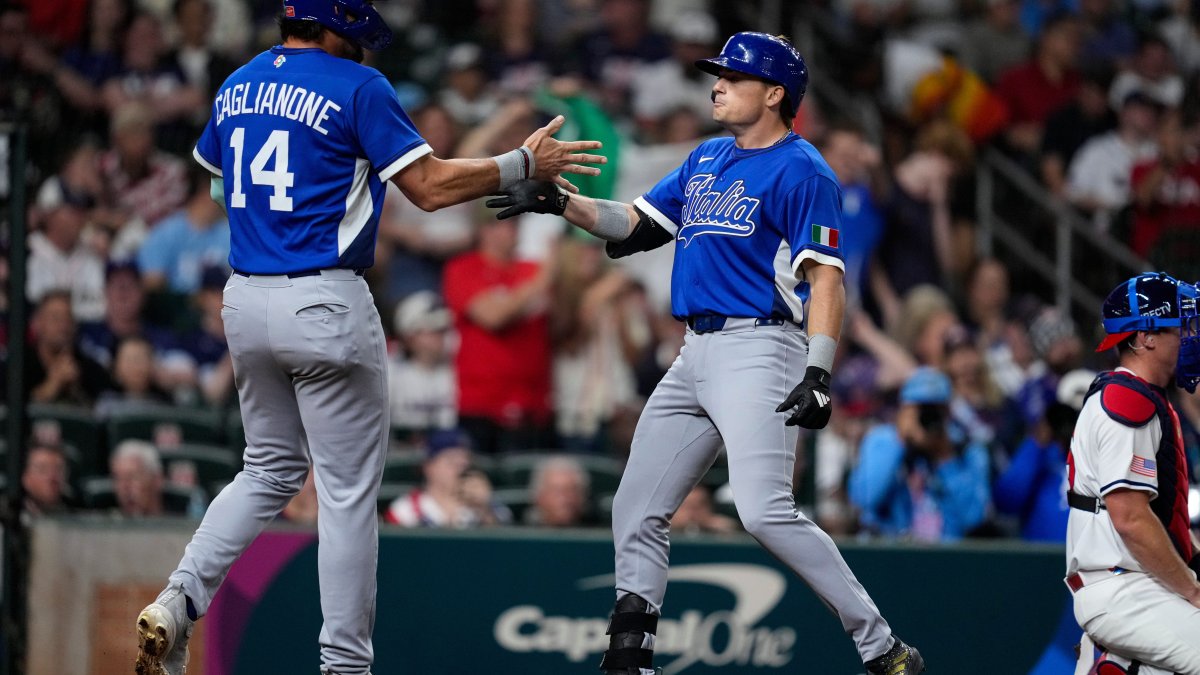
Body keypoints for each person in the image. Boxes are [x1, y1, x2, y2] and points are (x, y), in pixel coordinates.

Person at [133, 2, 605, 674]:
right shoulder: (359, 86)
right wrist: (521, 162)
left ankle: (179, 598)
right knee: (347, 489)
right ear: (331, 27)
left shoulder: (237, 82)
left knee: (267, 467)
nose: (359, 46)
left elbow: (218, 183)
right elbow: (431, 188)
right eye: (352, 32)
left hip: (246, 295)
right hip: (324, 293)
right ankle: (344, 665)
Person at [487, 31, 923, 675]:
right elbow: (635, 224)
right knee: (635, 506)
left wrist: (820, 367)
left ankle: (881, 645)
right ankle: (629, 656)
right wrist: (561, 202)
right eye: (717, 74)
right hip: (695, 350)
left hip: (761, 346)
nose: (716, 84)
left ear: (775, 94)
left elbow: (826, 276)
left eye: (732, 76)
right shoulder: (708, 156)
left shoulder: (804, 168)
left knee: (763, 511)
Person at [1065, 272, 1200, 674]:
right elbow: (1131, 518)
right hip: (1124, 586)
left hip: (1134, 582)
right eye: (1181, 326)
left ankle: (1119, 663)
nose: (1191, 337)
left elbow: (1155, 517)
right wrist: (1192, 590)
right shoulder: (1126, 398)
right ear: (1145, 337)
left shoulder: (1141, 395)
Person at [848, 367, 992, 541]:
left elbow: (974, 518)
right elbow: (865, 500)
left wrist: (945, 458)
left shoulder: (968, 451)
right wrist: (901, 441)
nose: (928, 416)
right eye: (920, 409)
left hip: (947, 559)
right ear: (904, 409)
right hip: (891, 554)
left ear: (947, 411)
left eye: (935, 409)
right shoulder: (882, 440)